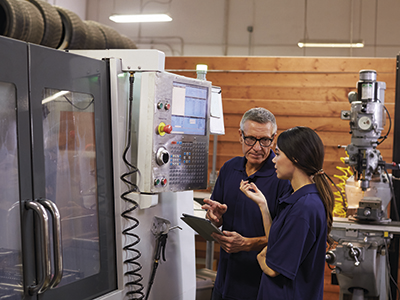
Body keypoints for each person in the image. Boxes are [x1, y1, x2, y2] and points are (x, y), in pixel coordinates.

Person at [202, 107, 292, 300]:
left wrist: (247, 244)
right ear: (240, 136)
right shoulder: (229, 168)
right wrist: (214, 218)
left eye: (265, 140)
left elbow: (287, 238)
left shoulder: (283, 177)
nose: (257, 148)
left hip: (261, 284)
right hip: (225, 280)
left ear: (274, 138)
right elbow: (215, 221)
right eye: (251, 139)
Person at [240, 126, 334, 300]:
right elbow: (275, 244)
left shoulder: (305, 208)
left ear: (295, 159)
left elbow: (273, 268)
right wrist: (263, 206)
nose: (274, 160)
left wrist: (261, 258)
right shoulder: (294, 196)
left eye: (279, 153)